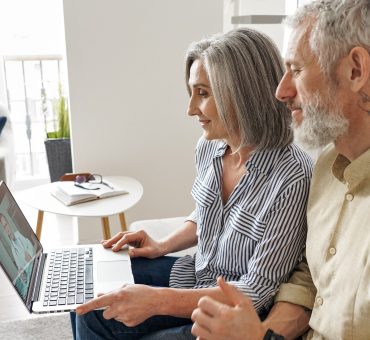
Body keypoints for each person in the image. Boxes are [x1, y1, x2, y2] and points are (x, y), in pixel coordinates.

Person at [71, 27, 313, 339]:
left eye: (202, 93)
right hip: (195, 275)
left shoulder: (292, 176)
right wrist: (164, 244)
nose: (190, 109)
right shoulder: (209, 147)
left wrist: (156, 302)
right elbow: (206, 213)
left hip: (234, 311)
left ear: (242, 93)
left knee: (114, 318)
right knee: (89, 297)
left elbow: (257, 290)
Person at [191, 0, 370, 339]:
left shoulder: (295, 172)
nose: (281, 91)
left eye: (297, 69)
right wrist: (259, 333)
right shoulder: (326, 169)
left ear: (355, 70)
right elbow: (309, 281)